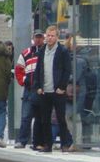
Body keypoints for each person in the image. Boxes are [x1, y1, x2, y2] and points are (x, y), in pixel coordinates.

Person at [34, 25, 73, 153]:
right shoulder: (42, 51)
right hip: (45, 90)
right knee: (45, 119)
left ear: (57, 37)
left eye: (52, 36)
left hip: (57, 91)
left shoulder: (62, 51)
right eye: (48, 36)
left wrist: (62, 87)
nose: (50, 38)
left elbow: (67, 70)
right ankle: (48, 144)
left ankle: (65, 144)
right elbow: (38, 70)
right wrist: (38, 86)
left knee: (61, 119)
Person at [14, 30, 46, 149]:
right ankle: (22, 140)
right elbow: (19, 69)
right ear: (33, 38)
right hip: (29, 89)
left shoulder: (46, 52)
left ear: (43, 38)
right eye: (36, 37)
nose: (38, 40)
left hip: (41, 89)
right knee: (26, 116)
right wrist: (24, 81)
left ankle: (38, 142)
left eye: (40, 37)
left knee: (40, 116)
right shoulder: (26, 53)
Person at [64, 34, 89, 149]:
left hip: (77, 92)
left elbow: (75, 77)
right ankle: (75, 142)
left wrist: (63, 77)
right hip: (76, 91)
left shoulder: (78, 60)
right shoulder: (78, 57)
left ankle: (76, 142)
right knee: (72, 116)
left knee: (73, 116)